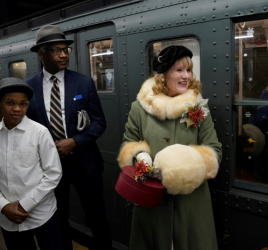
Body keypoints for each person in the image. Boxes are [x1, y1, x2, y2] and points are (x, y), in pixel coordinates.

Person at [117, 45, 222, 250]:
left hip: (191, 203)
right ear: (163, 74)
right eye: (179, 70)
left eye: (188, 70)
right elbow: (128, 145)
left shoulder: (198, 107)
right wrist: (142, 159)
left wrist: (184, 168)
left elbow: (214, 150)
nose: (186, 76)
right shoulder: (140, 108)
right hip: (152, 200)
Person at [25, 24, 112, 250]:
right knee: (58, 218)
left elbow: (99, 122)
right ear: (41, 53)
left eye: (66, 49)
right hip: (49, 167)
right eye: (56, 50)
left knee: (97, 218)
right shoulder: (28, 88)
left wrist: (75, 141)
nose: (64, 54)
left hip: (85, 163)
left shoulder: (83, 82)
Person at [0, 77, 63, 250]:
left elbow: (53, 174)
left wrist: (23, 204)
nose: (17, 109)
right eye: (10, 103)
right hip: (8, 218)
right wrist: (3, 206)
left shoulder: (39, 133)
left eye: (23, 104)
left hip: (42, 214)